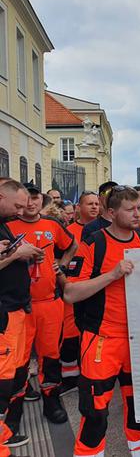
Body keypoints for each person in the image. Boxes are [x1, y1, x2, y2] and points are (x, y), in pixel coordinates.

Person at [63, 186, 140, 457]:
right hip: (101, 338)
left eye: (139, 207)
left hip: (138, 339)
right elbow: (70, 293)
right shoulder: (94, 243)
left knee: (138, 404)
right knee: (95, 411)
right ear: (112, 213)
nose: (138, 214)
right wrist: (111, 275)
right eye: (130, 209)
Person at [7, 183, 77, 425]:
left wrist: (62, 263)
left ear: (41, 201)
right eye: (26, 198)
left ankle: (52, 400)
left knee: (50, 355)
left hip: (49, 302)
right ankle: (14, 411)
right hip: (19, 305)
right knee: (18, 359)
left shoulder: (52, 225)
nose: (30, 203)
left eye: (35, 198)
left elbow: (71, 245)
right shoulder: (7, 225)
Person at [0, 179, 43, 451]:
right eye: (16, 205)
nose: (20, 211)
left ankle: (4, 435)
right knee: (1, 383)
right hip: (3, 315)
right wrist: (16, 254)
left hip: (15, 311)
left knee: (12, 378)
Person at [60, 191, 100, 397]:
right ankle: (70, 378)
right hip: (74, 289)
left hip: (96, 290)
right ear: (78, 208)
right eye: (89, 204)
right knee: (71, 334)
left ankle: (89, 373)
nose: (94, 207)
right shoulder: (68, 231)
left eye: (96, 203)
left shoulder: (104, 231)